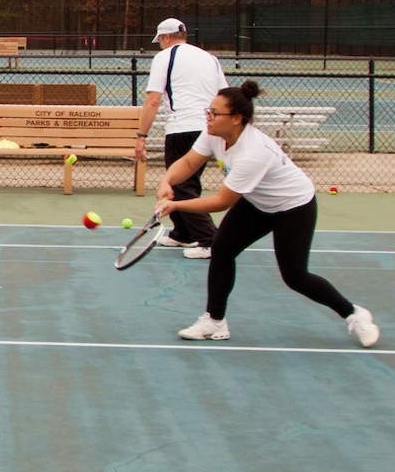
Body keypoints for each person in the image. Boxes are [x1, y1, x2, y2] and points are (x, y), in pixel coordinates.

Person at [155, 81, 380, 347]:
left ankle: (355, 314)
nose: (209, 117)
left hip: (293, 206)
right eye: (208, 111)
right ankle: (214, 321)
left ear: (237, 119)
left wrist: (176, 205)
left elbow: (221, 202)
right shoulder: (213, 133)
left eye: (215, 113)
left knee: (295, 276)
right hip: (257, 202)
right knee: (223, 249)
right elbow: (190, 162)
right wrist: (166, 180)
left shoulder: (253, 153)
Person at [136, 18, 227, 260]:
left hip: (182, 127)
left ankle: (210, 240)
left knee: (181, 185)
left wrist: (141, 136)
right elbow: (223, 95)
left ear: (165, 37)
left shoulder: (164, 57)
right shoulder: (210, 58)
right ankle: (183, 233)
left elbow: (153, 99)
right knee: (185, 183)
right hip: (208, 128)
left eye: (160, 41)